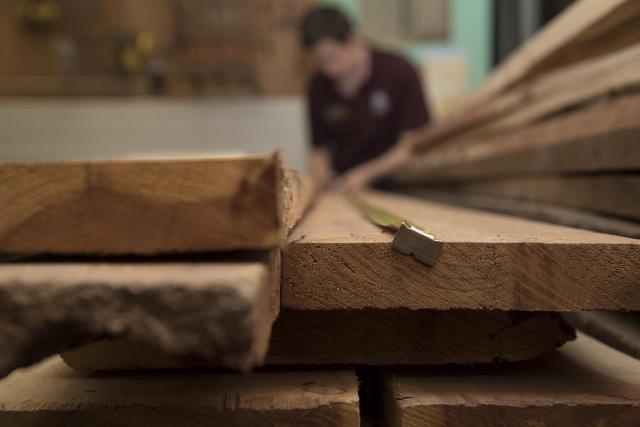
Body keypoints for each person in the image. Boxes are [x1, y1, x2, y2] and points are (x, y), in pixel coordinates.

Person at [301, 6, 431, 192]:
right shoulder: (318, 86)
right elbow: (318, 149)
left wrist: (363, 176)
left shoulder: (400, 72)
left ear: (352, 40)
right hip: (345, 187)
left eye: (334, 58)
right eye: (321, 62)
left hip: (398, 185)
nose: (329, 69)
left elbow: (412, 146)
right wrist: (323, 178)